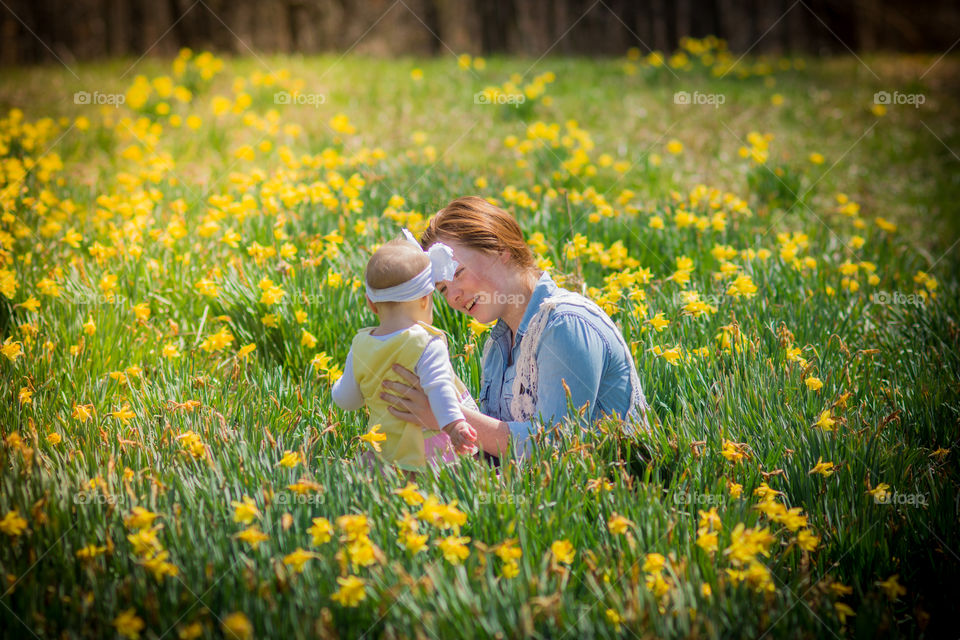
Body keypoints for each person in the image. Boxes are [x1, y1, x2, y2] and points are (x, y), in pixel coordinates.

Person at [380, 196, 650, 461]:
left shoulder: (565, 323)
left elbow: (556, 447)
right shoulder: (499, 345)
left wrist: (443, 414)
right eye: (442, 290)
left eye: (458, 273)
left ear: (500, 249)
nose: (453, 298)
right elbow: (499, 453)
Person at [331, 232, 477, 472]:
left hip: (387, 448)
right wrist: (454, 426)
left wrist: (335, 387)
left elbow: (347, 400)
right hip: (430, 448)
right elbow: (439, 388)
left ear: (370, 304)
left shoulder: (361, 344)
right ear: (424, 299)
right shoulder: (427, 342)